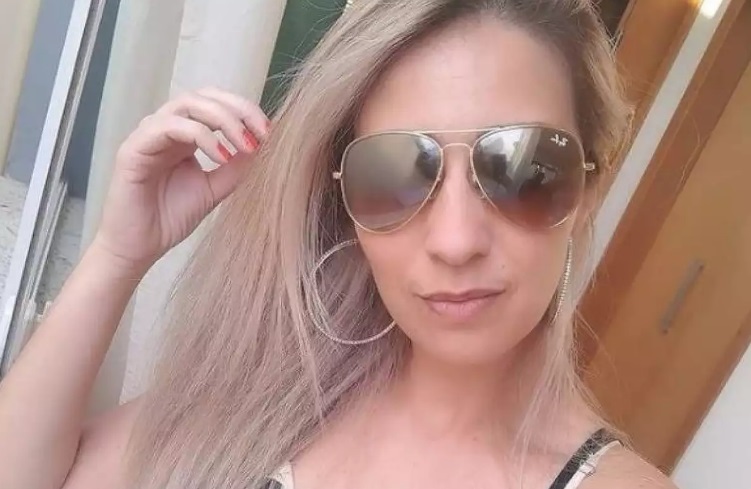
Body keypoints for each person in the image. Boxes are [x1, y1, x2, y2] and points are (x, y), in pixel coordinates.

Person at [0, 1, 679, 488]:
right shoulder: (274, 397)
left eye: (524, 168)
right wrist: (119, 255)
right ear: (345, 204)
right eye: (393, 175)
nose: (455, 241)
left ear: (589, 186)